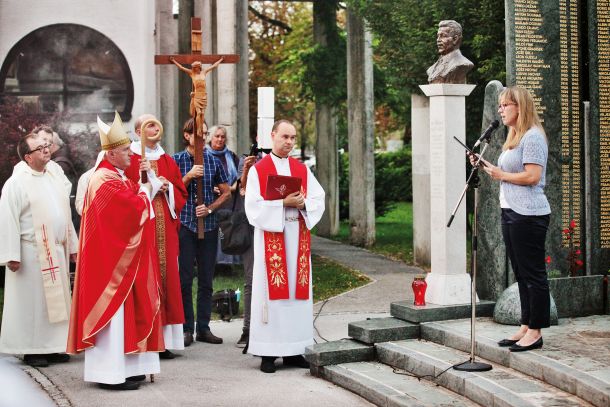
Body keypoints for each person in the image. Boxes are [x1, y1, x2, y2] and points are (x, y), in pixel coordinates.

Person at [67, 112, 165, 390]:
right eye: (125, 151)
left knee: (126, 316)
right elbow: (130, 210)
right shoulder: (104, 180)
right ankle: (109, 375)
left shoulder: (116, 176)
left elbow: (137, 193)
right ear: (110, 154)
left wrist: (145, 186)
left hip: (118, 258)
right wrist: (145, 192)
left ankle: (127, 368)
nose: (130, 155)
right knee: (113, 318)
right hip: (107, 263)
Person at [470, 86, 551, 352]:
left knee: (533, 274)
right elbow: (505, 171)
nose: (500, 110)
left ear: (520, 107)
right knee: (521, 272)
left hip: (529, 214)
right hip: (511, 211)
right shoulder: (515, 138)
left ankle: (536, 331)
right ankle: (526, 325)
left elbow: (532, 177)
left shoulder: (533, 137)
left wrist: (501, 175)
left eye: (506, 105)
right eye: (500, 106)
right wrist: (483, 166)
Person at [244, 119, 325, 373]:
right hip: (272, 237)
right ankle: (268, 353)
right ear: (273, 136)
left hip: (296, 237)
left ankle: (294, 350)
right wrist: (282, 204)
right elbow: (253, 207)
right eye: (284, 137)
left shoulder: (301, 169)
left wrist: (303, 205)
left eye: (292, 137)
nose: (289, 142)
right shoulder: (259, 169)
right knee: (271, 296)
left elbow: (318, 198)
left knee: (296, 297)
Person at [0, 132, 77, 368]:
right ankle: (33, 349)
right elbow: (8, 218)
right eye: (39, 148)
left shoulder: (53, 177)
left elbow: (63, 214)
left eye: (47, 145)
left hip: (56, 250)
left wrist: (72, 245)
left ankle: (54, 346)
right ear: (27, 157)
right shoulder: (17, 182)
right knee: (34, 304)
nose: (46, 149)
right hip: (31, 253)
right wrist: (11, 254)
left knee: (55, 304)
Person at [125, 114, 188, 359]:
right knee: (146, 279)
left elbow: (180, 190)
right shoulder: (130, 160)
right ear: (138, 131)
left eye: (157, 123)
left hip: (166, 229)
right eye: (149, 124)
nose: (154, 127)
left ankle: (166, 340)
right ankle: (148, 335)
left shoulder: (167, 160)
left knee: (168, 278)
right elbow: (127, 192)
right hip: (143, 228)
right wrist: (148, 185)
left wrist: (168, 187)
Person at [172, 118, 231, 346]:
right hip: (185, 225)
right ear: (187, 135)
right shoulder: (176, 160)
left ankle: (203, 328)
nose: (203, 137)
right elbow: (171, 192)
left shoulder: (213, 161)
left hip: (208, 226)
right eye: (199, 133)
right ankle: (186, 328)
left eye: (205, 133)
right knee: (185, 279)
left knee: (206, 280)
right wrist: (188, 176)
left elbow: (226, 193)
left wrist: (210, 208)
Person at [235, 149, 260, 347]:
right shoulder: (247, 161)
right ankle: (247, 329)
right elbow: (241, 191)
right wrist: (247, 168)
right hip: (251, 229)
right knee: (251, 278)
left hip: (273, 228)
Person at [207, 125, 241, 271]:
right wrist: (210, 187)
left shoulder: (231, 156)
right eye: (217, 136)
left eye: (222, 137)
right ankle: (211, 265)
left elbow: (240, 176)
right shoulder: (203, 154)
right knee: (212, 234)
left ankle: (226, 265)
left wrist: (230, 188)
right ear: (210, 137)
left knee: (227, 232)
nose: (220, 139)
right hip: (211, 199)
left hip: (229, 200)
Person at [170, 56, 223, 138]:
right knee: (199, 112)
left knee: (202, 113)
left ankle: (201, 127)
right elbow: (181, 67)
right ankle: (199, 129)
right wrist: (173, 61)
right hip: (197, 95)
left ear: (199, 67)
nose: (196, 69)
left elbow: (214, 66)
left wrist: (221, 59)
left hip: (203, 95)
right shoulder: (192, 73)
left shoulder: (204, 72)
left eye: (197, 67)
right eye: (194, 68)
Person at [426, 20, 474, 84]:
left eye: (443, 36)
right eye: (438, 36)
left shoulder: (462, 64)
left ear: (455, 39)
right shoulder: (431, 69)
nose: (438, 40)